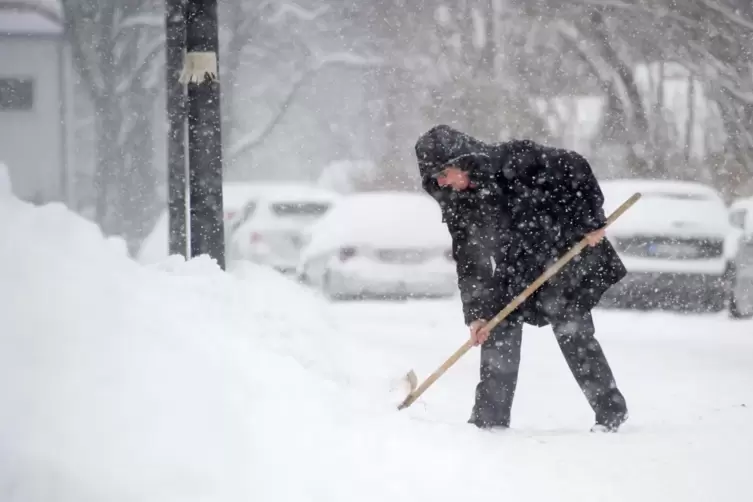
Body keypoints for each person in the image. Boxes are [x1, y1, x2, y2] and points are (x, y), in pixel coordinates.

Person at [414, 124, 629, 432]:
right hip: (511, 270)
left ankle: (610, 413)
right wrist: (476, 314)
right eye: (435, 179)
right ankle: (490, 422)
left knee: (573, 333)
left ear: (461, 161)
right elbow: (469, 259)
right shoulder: (458, 201)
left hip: (558, 257)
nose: (442, 183)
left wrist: (591, 221)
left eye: (444, 173)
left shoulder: (513, 161)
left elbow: (575, 166)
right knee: (496, 329)